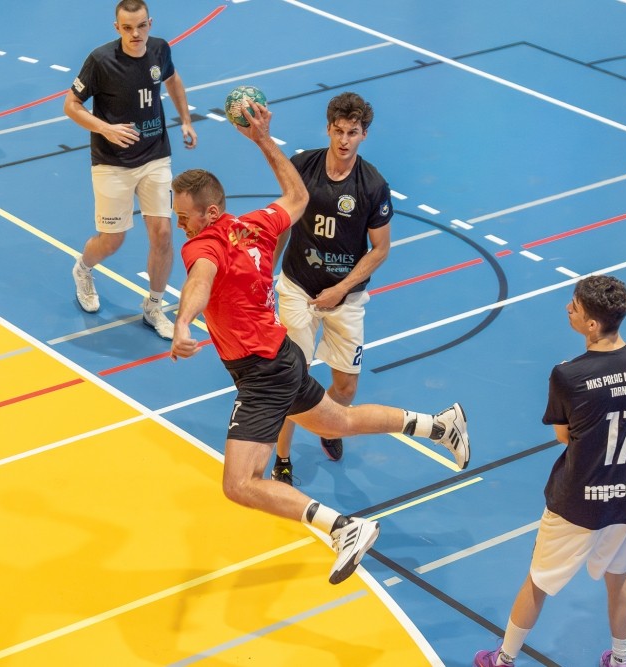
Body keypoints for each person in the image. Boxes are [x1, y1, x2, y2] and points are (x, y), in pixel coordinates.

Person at [169, 98, 469, 585]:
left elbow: (199, 282)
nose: (180, 224)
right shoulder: (255, 225)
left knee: (239, 483)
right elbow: (297, 196)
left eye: (184, 216)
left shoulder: (203, 246)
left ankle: (344, 528)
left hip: (262, 374)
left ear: (211, 213)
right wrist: (262, 139)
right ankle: (440, 425)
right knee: (341, 421)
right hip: (282, 357)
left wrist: (184, 323)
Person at [474, 275, 626, 667]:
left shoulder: (568, 375)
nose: (567, 309)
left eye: (574, 307)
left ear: (591, 324)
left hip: (578, 499)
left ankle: (503, 659)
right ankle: (621, 660)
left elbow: (564, 436)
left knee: (538, 581)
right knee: (619, 578)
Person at [271, 91, 392, 481]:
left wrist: (341, 289)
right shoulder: (303, 167)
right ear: (328, 129)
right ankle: (283, 459)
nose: (344, 140)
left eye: (352, 133)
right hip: (298, 289)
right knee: (293, 379)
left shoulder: (372, 185)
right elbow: (282, 225)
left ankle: (327, 423)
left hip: (345, 297)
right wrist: (265, 275)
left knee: (346, 386)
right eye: (338, 131)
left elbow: (380, 249)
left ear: (364, 135)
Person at [66, 0, 197, 339]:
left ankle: (154, 306)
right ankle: (83, 269)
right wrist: (105, 128)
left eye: (140, 26)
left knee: (163, 234)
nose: (135, 34)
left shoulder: (160, 49)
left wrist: (185, 120)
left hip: (155, 155)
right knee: (112, 240)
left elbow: (173, 80)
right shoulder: (100, 60)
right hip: (112, 162)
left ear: (150, 23)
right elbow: (71, 105)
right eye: (127, 28)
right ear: (117, 28)